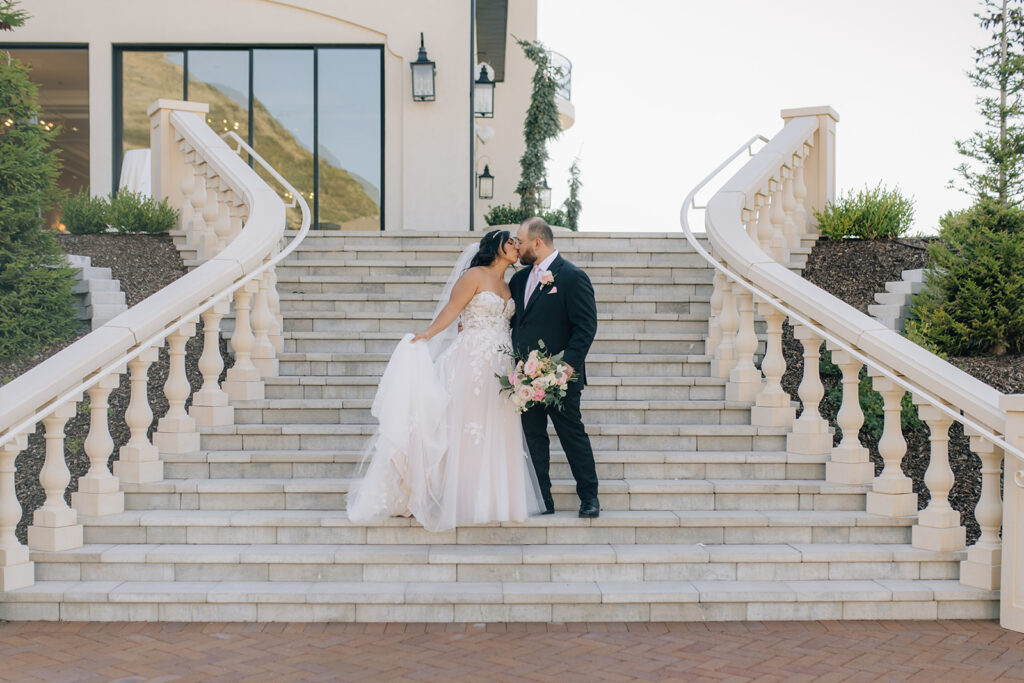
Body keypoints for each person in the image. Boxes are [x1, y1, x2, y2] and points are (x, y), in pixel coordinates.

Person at [346, 230, 543, 531]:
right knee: (465, 426)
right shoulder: (474, 275)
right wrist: (428, 334)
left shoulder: (509, 284)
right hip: (472, 361)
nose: (517, 247)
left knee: (494, 427)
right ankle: (448, 496)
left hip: (501, 365)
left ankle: (488, 499)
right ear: (497, 246)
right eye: (511, 242)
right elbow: (452, 309)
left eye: (519, 243)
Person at [511, 217, 600, 518]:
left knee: (572, 435)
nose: (517, 247)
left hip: (561, 376)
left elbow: (585, 327)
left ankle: (589, 497)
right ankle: (542, 500)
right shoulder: (519, 280)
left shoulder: (572, 276)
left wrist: (565, 368)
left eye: (520, 241)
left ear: (537, 242)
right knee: (533, 438)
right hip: (525, 378)